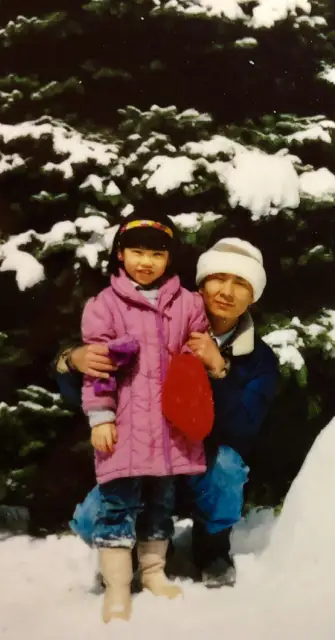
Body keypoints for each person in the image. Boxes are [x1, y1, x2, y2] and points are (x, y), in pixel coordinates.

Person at [55, 237, 280, 589]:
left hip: (199, 465)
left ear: (253, 297)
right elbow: (90, 387)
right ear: (202, 283)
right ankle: (135, 548)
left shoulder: (259, 359)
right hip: (144, 454)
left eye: (241, 284)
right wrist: (72, 361)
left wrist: (218, 370)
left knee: (228, 467)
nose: (227, 291)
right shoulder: (156, 321)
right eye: (219, 278)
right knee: (89, 519)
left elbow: (243, 428)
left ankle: (212, 547)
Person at [78, 211, 217, 623]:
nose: (145, 262)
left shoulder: (189, 303)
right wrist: (100, 417)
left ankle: (154, 571)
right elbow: (98, 367)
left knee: (161, 503)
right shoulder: (105, 306)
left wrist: (204, 360)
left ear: (169, 259)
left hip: (170, 428)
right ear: (120, 254)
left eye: (156, 254)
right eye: (136, 252)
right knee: (118, 506)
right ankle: (118, 588)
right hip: (124, 427)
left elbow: (194, 359)